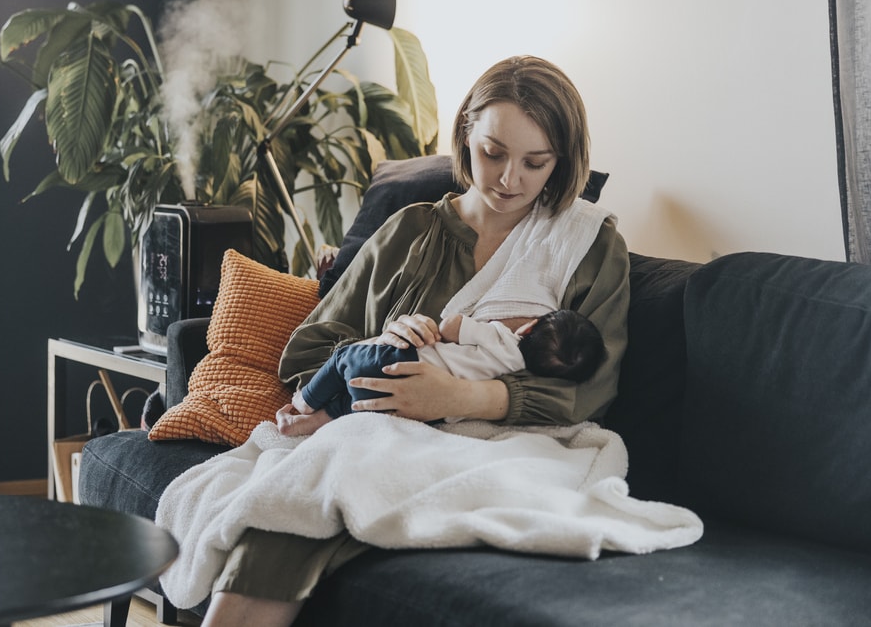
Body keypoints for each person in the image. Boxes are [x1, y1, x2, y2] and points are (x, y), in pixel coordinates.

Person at [199, 55, 631, 627]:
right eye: (493, 153)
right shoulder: (408, 232)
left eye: (535, 162)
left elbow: (594, 388)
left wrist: (462, 397)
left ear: (563, 160)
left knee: (314, 493)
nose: (510, 180)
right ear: (465, 135)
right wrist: (379, 344)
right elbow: (306, 352)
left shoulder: (588, 245)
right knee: (291, 505)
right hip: (374, 433)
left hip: (506, 447)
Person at [292, 308, 607, 422]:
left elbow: (450, 326)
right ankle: (319, 419)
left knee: (343, 359)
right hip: (422, 411)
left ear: (528, 327)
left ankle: (305, 402)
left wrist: (466, 324)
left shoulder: (501, 337)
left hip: (402, 363)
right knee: (359, 404)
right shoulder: (518, 376)